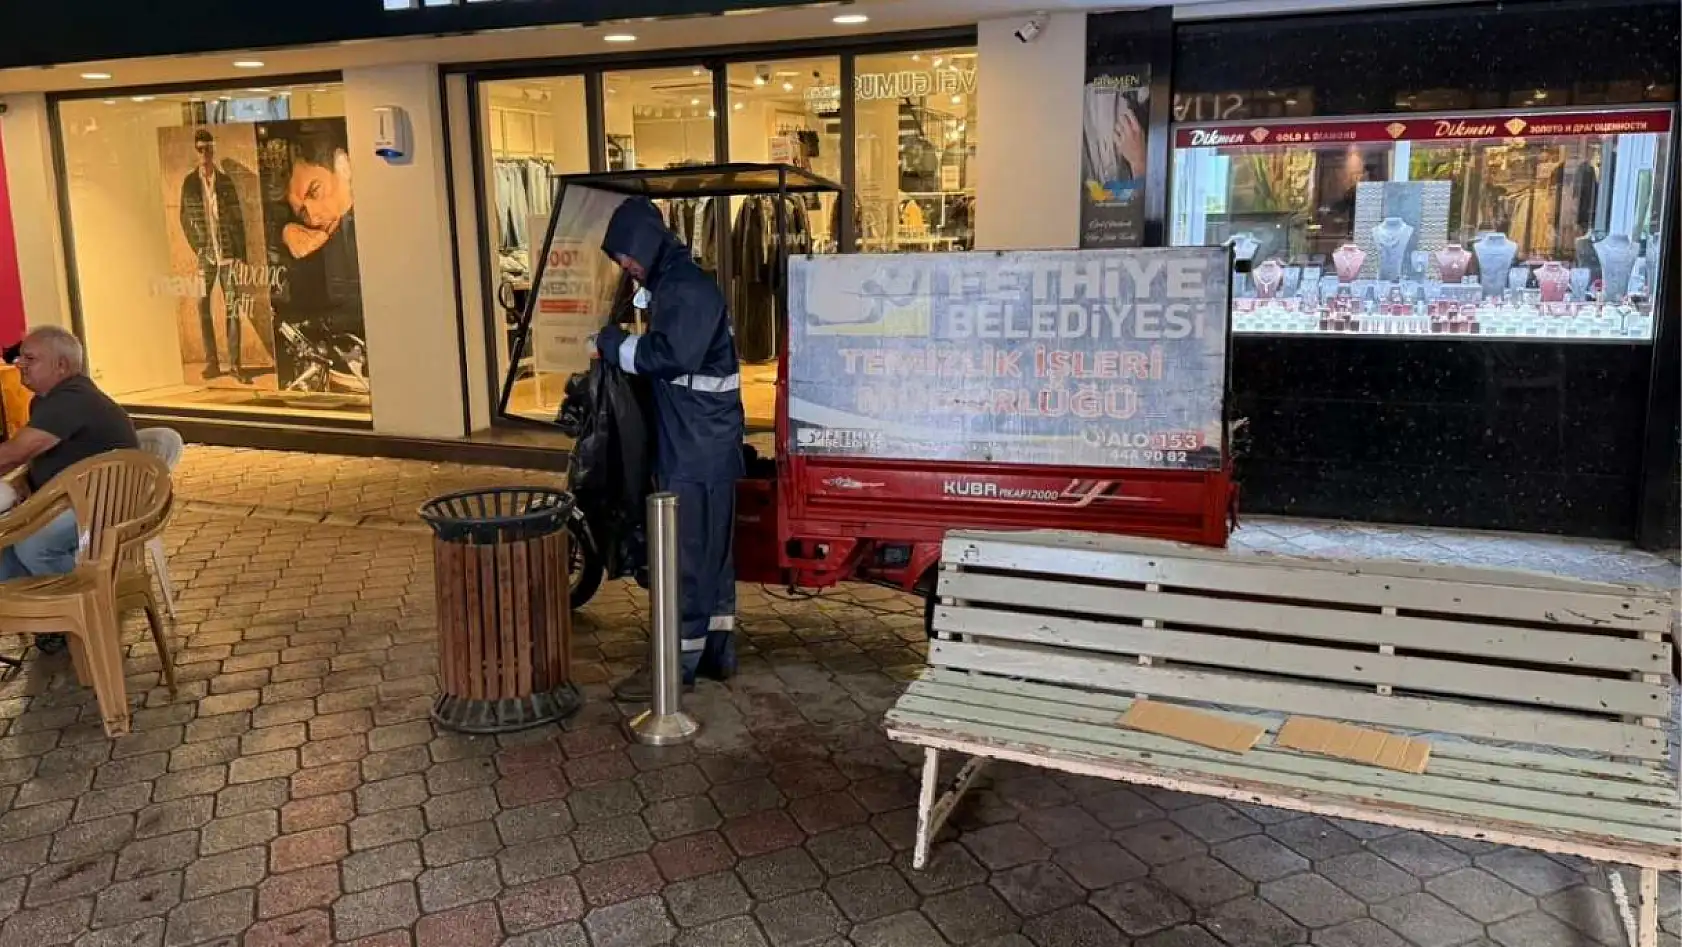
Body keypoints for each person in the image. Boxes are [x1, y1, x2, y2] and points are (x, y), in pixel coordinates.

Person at [595, 198, 745, 700]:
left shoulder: (684, 289)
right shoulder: (677, 284)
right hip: (706, 442)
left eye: (626, 256)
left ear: (645, 244)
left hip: (695, 446)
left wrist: (614, 345)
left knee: (687, 556)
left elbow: (671, 355)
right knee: (711, 558)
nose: (625, 266)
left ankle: (675, 666)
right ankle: (715, 651)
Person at [0, 327, 140, 654]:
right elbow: (34, 459)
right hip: (74, 500)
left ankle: (87, 610)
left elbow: (14, 453)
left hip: (102, 505)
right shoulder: (48, 400)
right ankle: (43, 617)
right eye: (21, 356)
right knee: (6, 553)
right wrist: (23, 483)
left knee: (33, 547)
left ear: (61, 366)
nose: (20, 363)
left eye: (30, 358)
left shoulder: (72, 398)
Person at [179, 128, 249, 382]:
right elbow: (184, 218)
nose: (205, 154)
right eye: (200, 149)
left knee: (232, 308)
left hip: (228, 254)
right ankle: (212, 363)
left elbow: (238, 218)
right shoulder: (189, 182)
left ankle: (235, 365)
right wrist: (198, 247)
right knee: (202, 306)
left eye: (208, 148)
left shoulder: (225, 181)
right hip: (205, 255)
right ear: (196, 151)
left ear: (213, 149)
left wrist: (241, 254)